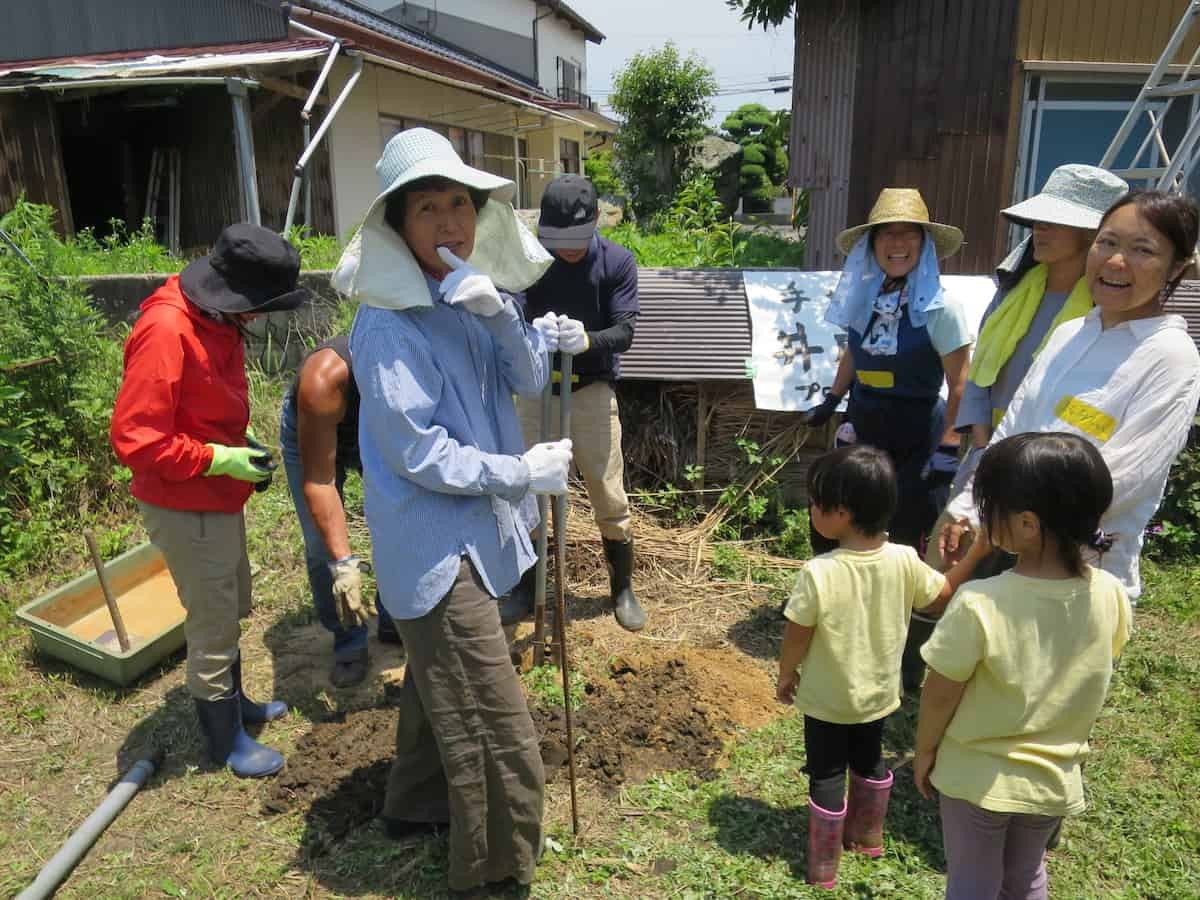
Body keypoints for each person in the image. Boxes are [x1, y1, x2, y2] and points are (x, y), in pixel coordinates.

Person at [333, 127, 566, 893]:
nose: (450, 222)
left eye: (460, 203)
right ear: (398, 227)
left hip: (481, 531)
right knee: (494, 729)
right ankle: (496, 876)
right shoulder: (388, 322)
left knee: (447, 685)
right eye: (427, 207)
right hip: (438, 546)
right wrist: (518, 474)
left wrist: (502, 314)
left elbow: (530, 379)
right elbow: (418, 453)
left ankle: (415, 805)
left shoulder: (472, 293)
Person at [110, 224, 308, 779]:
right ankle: (225, 742)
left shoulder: (212, 317)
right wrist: (216, 459)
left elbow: (196, 407)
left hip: (214, 494)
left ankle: (235, 704)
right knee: (213, 617)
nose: (257, 317)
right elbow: (136, 438)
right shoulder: (168, 330)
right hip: (185, 498)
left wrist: (235, 445)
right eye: (258, 307)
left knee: (232, 599)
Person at [940, 190, 1200, 603]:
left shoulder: (1170, 356)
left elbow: (1125, 478)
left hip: (1085, 580)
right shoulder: (1069, 333)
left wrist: (1014, 519)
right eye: (1108, 242)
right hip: (1014, 559)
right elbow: (1012, 431)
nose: (1116, 261)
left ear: (1177, 269)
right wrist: (971, 506)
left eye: (1142, 250)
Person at [916, 433, 1131, 900]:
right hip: (1053, 779)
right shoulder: (1111, 594)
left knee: (973, 883)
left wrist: (925, 751)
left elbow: (939, 691)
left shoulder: (980, 602)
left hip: (975, 778)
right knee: (1026, 877)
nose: (984, 515)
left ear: (1028, 524)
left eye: (990, 505)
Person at [776, 444, 989, 889]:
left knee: (828, 772)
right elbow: (941, 596)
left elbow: (797, 632)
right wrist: (969, 558)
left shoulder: (820, 571)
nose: (812, 509)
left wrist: (786, 673)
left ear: (844, 512)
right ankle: (869, 836)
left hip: (827, 701)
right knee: (870, 763)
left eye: (818, 501)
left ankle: (823, 866)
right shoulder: (905, 561)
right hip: (878, 697)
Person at [802, 188, 974, 690]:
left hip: (917, 428)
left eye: (908, 234)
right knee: (853, 520)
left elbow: (960, 382)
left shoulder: (941, 307)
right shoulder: (865, 296)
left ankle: (908, 652)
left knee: (907, 535)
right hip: (866, 420)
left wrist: (947, 447)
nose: (897, 244)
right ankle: (849, 622)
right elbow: (853, 355)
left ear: (923, 244)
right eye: (887, 234)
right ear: (872, 245)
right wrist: (834, 399)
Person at [924, 165, 1128, 574]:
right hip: (985, 454)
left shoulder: (1104, 312)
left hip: (1051, 465)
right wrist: (983, 443)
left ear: (1091, 236)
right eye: (1039, 221)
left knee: (1023, 575)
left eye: (1056, 223)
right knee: (951, 561)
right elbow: (981, 369)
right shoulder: (1013, 291)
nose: (1041, 231)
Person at [504, 174, 646, 632]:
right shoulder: (530, 261)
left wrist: (586, 339)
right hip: (536, 389)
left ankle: (621, 588)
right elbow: (511, 313)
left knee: (607, 492)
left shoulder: (617, 262)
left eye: (576, 241)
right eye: (557, 241)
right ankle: (528, 588)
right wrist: (530, 333)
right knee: (527, 490)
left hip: (590, 392)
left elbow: (624, 331)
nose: (566, 251)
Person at [279, 337, 399, 687]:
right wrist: (344, 565)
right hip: (311, 432)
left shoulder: (416, 362)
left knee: (396, 521)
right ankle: (349, 639)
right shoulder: (324, 378)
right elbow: (319, 481)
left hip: (376, 434)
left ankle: (394, 616)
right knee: (321, 545)